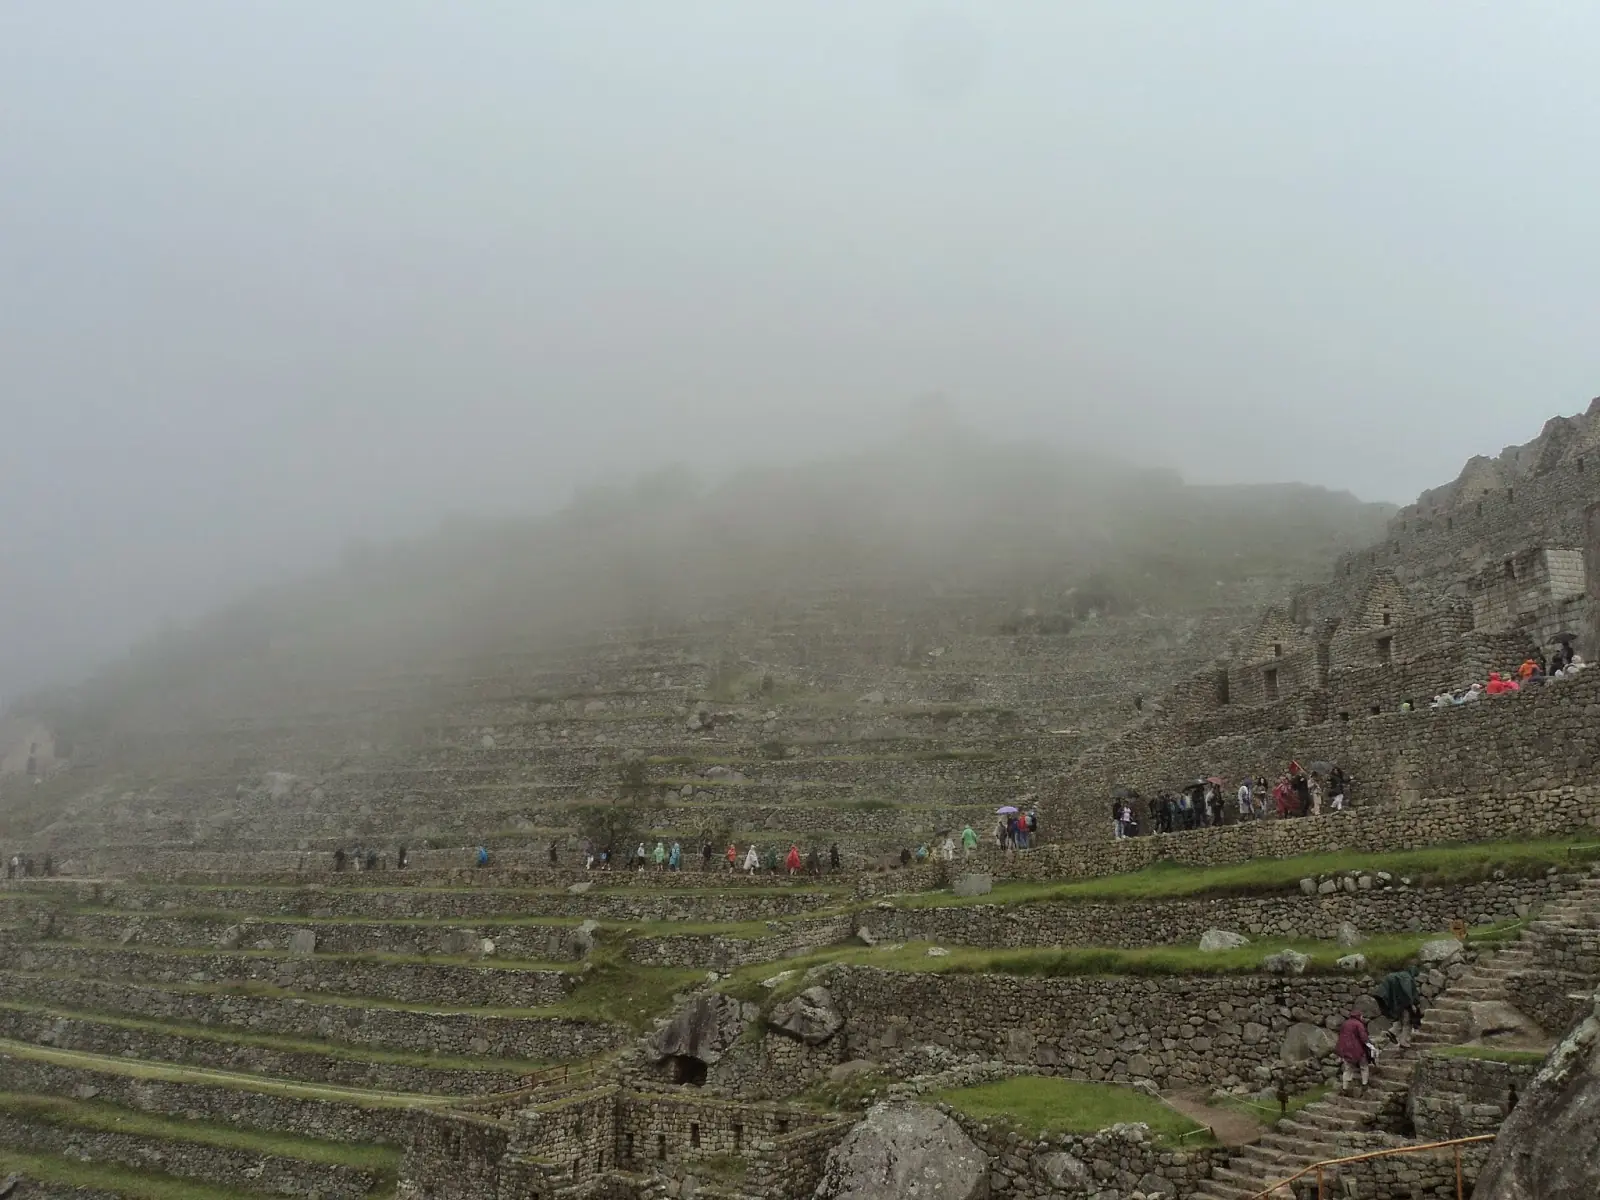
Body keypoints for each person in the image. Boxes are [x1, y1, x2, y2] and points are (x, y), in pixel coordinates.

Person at [1375, 964, 1423, 1049]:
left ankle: (1392, 1032)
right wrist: (1412, 1004)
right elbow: (1407, 990)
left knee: (1400, 1019)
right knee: (1407, 1022)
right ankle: (1404, 1041)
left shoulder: (1399, 975)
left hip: (1397, 1003)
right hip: (1404, 1004)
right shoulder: (1406, 978)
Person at [1336, 1010, 1374, 1092]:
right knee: (1364, 1066)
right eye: (1361, 1016)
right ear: (1359, 1016)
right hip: (1357, 1049)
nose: (1362, 1018)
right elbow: (1363, 1037)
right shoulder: (1359, 1024)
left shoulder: (1345, 1023)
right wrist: (1370, 1045)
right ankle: (1364, 1084)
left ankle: (1344, 1087)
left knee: (1348, 1068)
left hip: (1345, 1049)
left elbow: (1341, 1037)